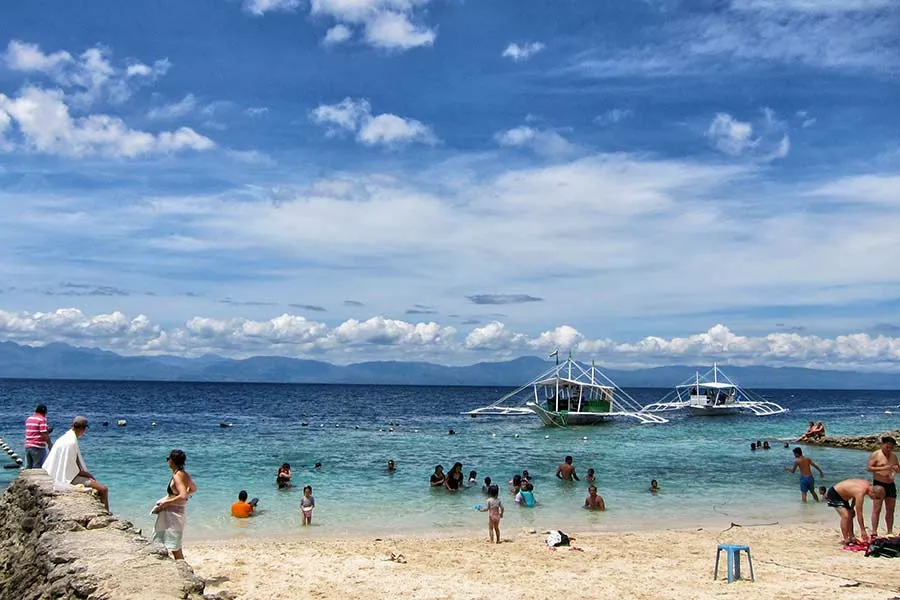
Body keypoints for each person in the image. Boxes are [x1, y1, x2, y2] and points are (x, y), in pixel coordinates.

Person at [42, 416, 109, 512]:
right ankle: (106, 514)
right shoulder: (71, 442)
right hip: (66, 478)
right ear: (83, 429)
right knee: (103, 489)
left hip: (56, 474)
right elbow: (71, 469)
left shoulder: (64, 437)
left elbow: (69, 464)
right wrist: (87, 474)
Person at [152, 449, 197, 560]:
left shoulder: (177, 476)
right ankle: (183, 570)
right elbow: (193, 489)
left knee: (174, 547)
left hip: (172, 515)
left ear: (172, 461)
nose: (168, 461)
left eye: (168, 459)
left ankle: (184, 572)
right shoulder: (184, 474)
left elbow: (182, 496)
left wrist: (166, 502)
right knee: (175, 546)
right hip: (177, 513)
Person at [825, 479, 884, 545]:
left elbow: (854, 495)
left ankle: (851, 537)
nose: (875, 499)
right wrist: (863, 530)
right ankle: (846, 539)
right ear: (873, 492)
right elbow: (859, 513)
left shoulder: (868, 485)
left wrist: (852, 507)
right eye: (876, 497)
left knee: (851, 514)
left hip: (844, 496)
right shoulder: (860, 492)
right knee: (845, 516)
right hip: (834, 494)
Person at [867, 436, 900, 537]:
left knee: (891, 509)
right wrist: (884, 467)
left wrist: (896, 470)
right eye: (887, 447)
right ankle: (874, 531)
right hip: (879, 483)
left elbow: (897, 469)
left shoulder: (894, 456)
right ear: (882, 445)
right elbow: (869, 468)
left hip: (890, 484)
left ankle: (889, 531)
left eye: (891, 447)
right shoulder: (876, 454)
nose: (889, 449)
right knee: (877, 508)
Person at [24, 404, 52, 469]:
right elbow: (43, 434)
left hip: (28, 446)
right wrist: (50, 444)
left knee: (28, 468)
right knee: (37, 468)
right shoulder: (42, 419)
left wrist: (46, 431)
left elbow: (34, 432)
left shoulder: (29, 419)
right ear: (44, 412)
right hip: (38, 447)